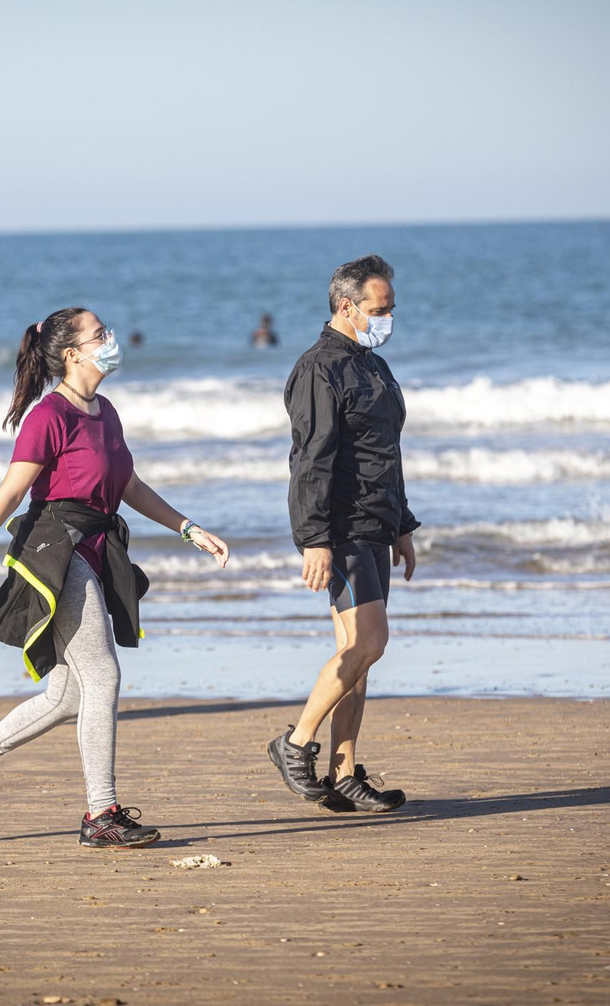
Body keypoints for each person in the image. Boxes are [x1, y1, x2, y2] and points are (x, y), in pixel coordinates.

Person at [0, 307, 230, 848]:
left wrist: (187, 527)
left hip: (97, 545)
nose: (110, 340)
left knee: (67, 696)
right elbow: (10, 494)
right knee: (102, 677)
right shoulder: (48, 416)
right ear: (72, 354)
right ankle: (100, 814)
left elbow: (127, 484)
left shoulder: (106, 411)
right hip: (57, 550)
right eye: (99, 334)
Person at [268, 254, 416, 814]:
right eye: (380, 309)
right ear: (347, 306)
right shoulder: (318, 368)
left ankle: (345, 771)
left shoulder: (373, 365)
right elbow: (310, 460)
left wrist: (402, 525)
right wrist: (314, 540)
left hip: (377, 524)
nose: (388, 318)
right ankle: (295, 743)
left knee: (357, 657)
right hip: (343, 527)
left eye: (392, 308)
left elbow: (386, 452)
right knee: (367, 644)